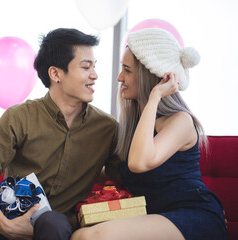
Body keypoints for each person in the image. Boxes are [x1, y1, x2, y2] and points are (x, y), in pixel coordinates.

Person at [0, 28, 121, 240]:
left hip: (56, 227)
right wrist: (4, 224)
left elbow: (124, 176)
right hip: (8, 220)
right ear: (55, 74)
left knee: (52, 221)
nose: (94, 75)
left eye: (94, 67)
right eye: (85, 67)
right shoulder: (19, 117)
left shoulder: (106, 128)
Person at [71, 28, 227, 240]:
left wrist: (155, 96)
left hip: (191, 215)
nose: (119, 78)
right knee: (78, 233)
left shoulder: (180, 121)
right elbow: (116, 171)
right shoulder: (135, 126)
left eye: (127, 70)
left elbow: (139, 163)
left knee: (93, 237)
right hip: (152, 216)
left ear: (149, 75)